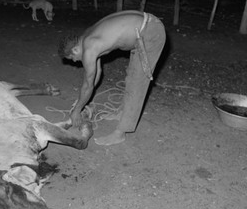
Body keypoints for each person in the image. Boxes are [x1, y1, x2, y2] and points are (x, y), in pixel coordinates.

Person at [58, 10, 166, 146]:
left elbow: (88, 84)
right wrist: (81, 102)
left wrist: (77, 110)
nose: (75, 61)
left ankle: (120, 133)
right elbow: (96, 74)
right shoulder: (87, 39)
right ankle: (122, 113)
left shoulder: (89, 48)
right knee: (131, 76)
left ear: (74, 50)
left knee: (137, 83)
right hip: (143, 28)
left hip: (150, 32)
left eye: (72, 58)